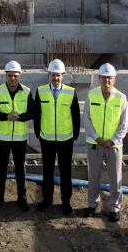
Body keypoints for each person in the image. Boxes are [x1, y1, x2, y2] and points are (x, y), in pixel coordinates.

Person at [34, 59, 80, 215]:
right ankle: (47, 200)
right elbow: (37, 114)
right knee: (47, 171)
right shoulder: (40, 91)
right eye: (53, 75)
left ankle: (66, 201)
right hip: (46, 139)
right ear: (49, 75)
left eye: (58, 75)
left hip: (65, 140)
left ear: (63, 76)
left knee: (65, 171)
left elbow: (75, 115)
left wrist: (75, 135)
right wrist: (37, 133)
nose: (56, 79)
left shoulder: (71, 92)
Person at [83, 63, 128, 222]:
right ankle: (91, 205)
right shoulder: (91, 95)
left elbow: (124, 123)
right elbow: (86, 119)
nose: (106, 81)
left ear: (114, 79)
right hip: (95, 143)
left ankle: (114, 208)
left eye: (109, 78)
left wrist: (113, 140)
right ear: (99, 79)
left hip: (114, 145)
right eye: (103, 78)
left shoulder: (121, 97)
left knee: (115, 178)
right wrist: (97, 137)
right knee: (93, 176)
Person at [0, 61, 34, 212]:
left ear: (19, 75)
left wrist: (20, 117)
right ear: (6, 76)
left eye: (15, 76)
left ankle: (22, 198)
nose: (13, 79)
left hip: (20, 138)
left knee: (21, 168)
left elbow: (33, 113)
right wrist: (6, 116)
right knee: (1, 169)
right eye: (10, 76)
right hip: (2, 138)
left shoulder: (27, 92)